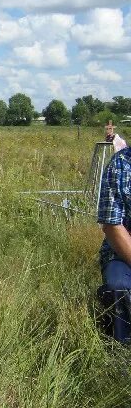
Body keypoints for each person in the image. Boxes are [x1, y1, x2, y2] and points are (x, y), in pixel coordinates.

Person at [98, 145, 131, 342]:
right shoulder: (120, 165)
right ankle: (122, 348)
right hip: (122, 250)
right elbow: (112, 226)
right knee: (118, 286)